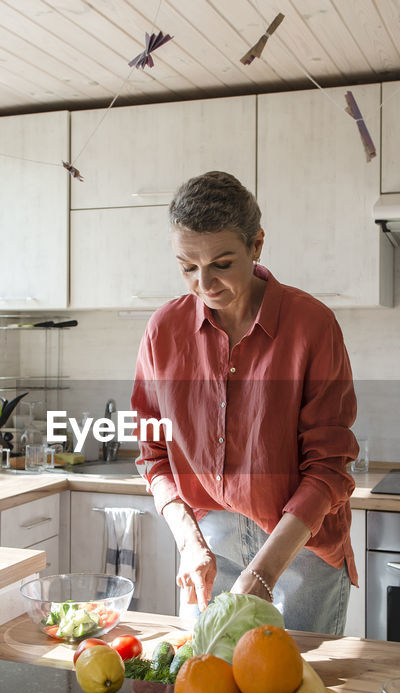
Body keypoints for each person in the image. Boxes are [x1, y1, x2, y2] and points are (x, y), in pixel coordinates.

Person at [130, 171, 359, 635]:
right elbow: (153, 454)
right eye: (187, 267)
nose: (204, 284)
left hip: (299, 549)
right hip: (209, 541)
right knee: (205, 691)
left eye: (222, 263)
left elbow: (329, 468)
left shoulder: (311, 326)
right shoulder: (164, 330)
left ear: (256, 245)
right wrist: (190, 542)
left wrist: (263, 572)